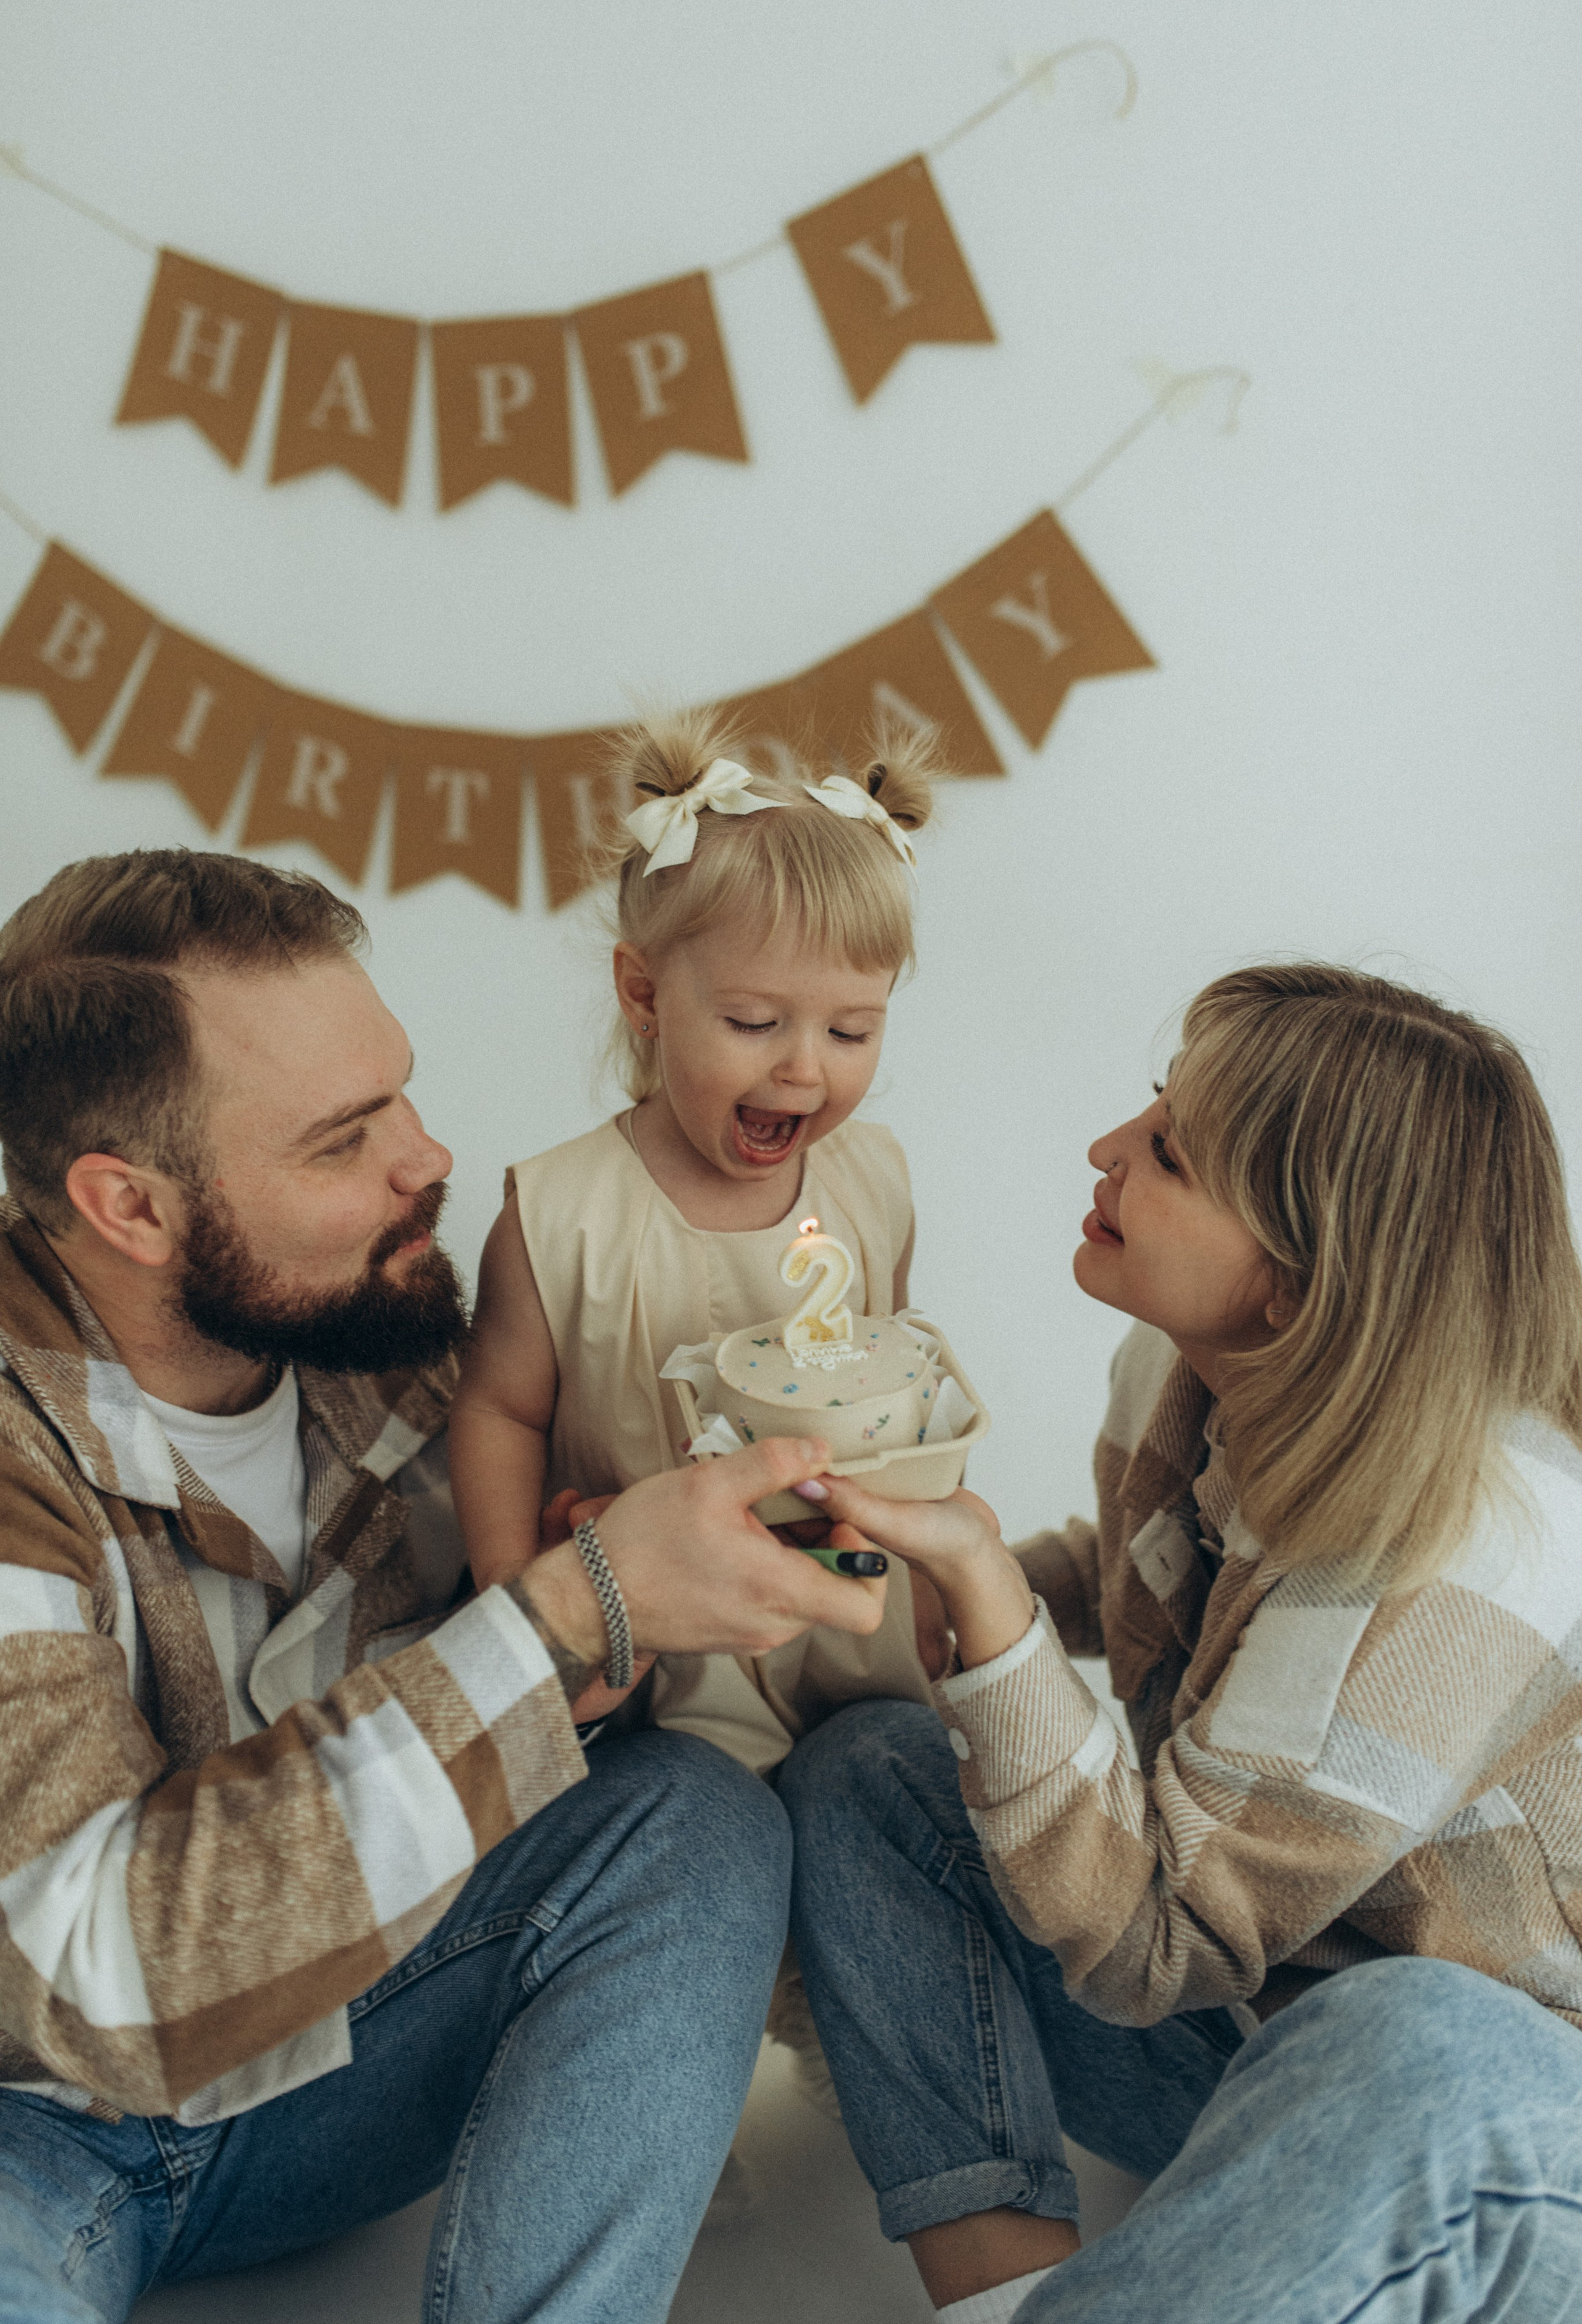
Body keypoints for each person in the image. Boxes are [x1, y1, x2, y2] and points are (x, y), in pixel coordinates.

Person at [0, 847, 886, 2324]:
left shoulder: (386, 1336)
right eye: (344, 1140)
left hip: (331, 2069)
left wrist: (612, 1630)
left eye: (400, 1092)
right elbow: (84, 1982)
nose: (427, 1157)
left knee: (691, 1815)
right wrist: (548, 1623)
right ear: (130, 1207)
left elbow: (483, 1739)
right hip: (30, 2120)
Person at [778, 964, 1582, 2324]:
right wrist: (966, 1570)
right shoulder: (1188, 1369)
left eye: (1168, 1155)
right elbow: (1169, 1589)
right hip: (1256, 2039)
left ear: (1289, 1281)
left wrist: (989, 1611)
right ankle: (1002, 2298)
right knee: (870, 1771)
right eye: (1148, 1111)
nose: (1104, 1151)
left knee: (1406, 2030)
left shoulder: (1461, 1547)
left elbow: (1160, 1942)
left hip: (1478, 2123)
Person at [449, 705, 949, 1776]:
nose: (805, 1070)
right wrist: (519, 1611)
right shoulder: (561, 1213)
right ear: (644, 994)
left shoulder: (875, 1181)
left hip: (841, 1625)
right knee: (690, 1809)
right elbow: (498, 1408)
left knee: (880, 1780)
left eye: (852, 1030)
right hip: (651, 1652)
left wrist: (939, 1581)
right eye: (755, 1023)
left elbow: (894, 1387)